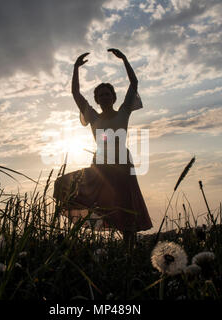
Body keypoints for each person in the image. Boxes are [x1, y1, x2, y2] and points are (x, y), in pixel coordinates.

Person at [53, 48, 152, 251]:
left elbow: (134, 84)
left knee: (126, 207)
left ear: (114, 97)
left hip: (123, 165)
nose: (104, 97)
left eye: (107, 94)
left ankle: (129, 251)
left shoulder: (124, 112)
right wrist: (75, 69)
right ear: (97, 100)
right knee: (62, 184)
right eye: (100, 95)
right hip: (100, 166)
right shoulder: (93, 117)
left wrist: (124, 60)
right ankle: (86, 232)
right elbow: (75, 93)